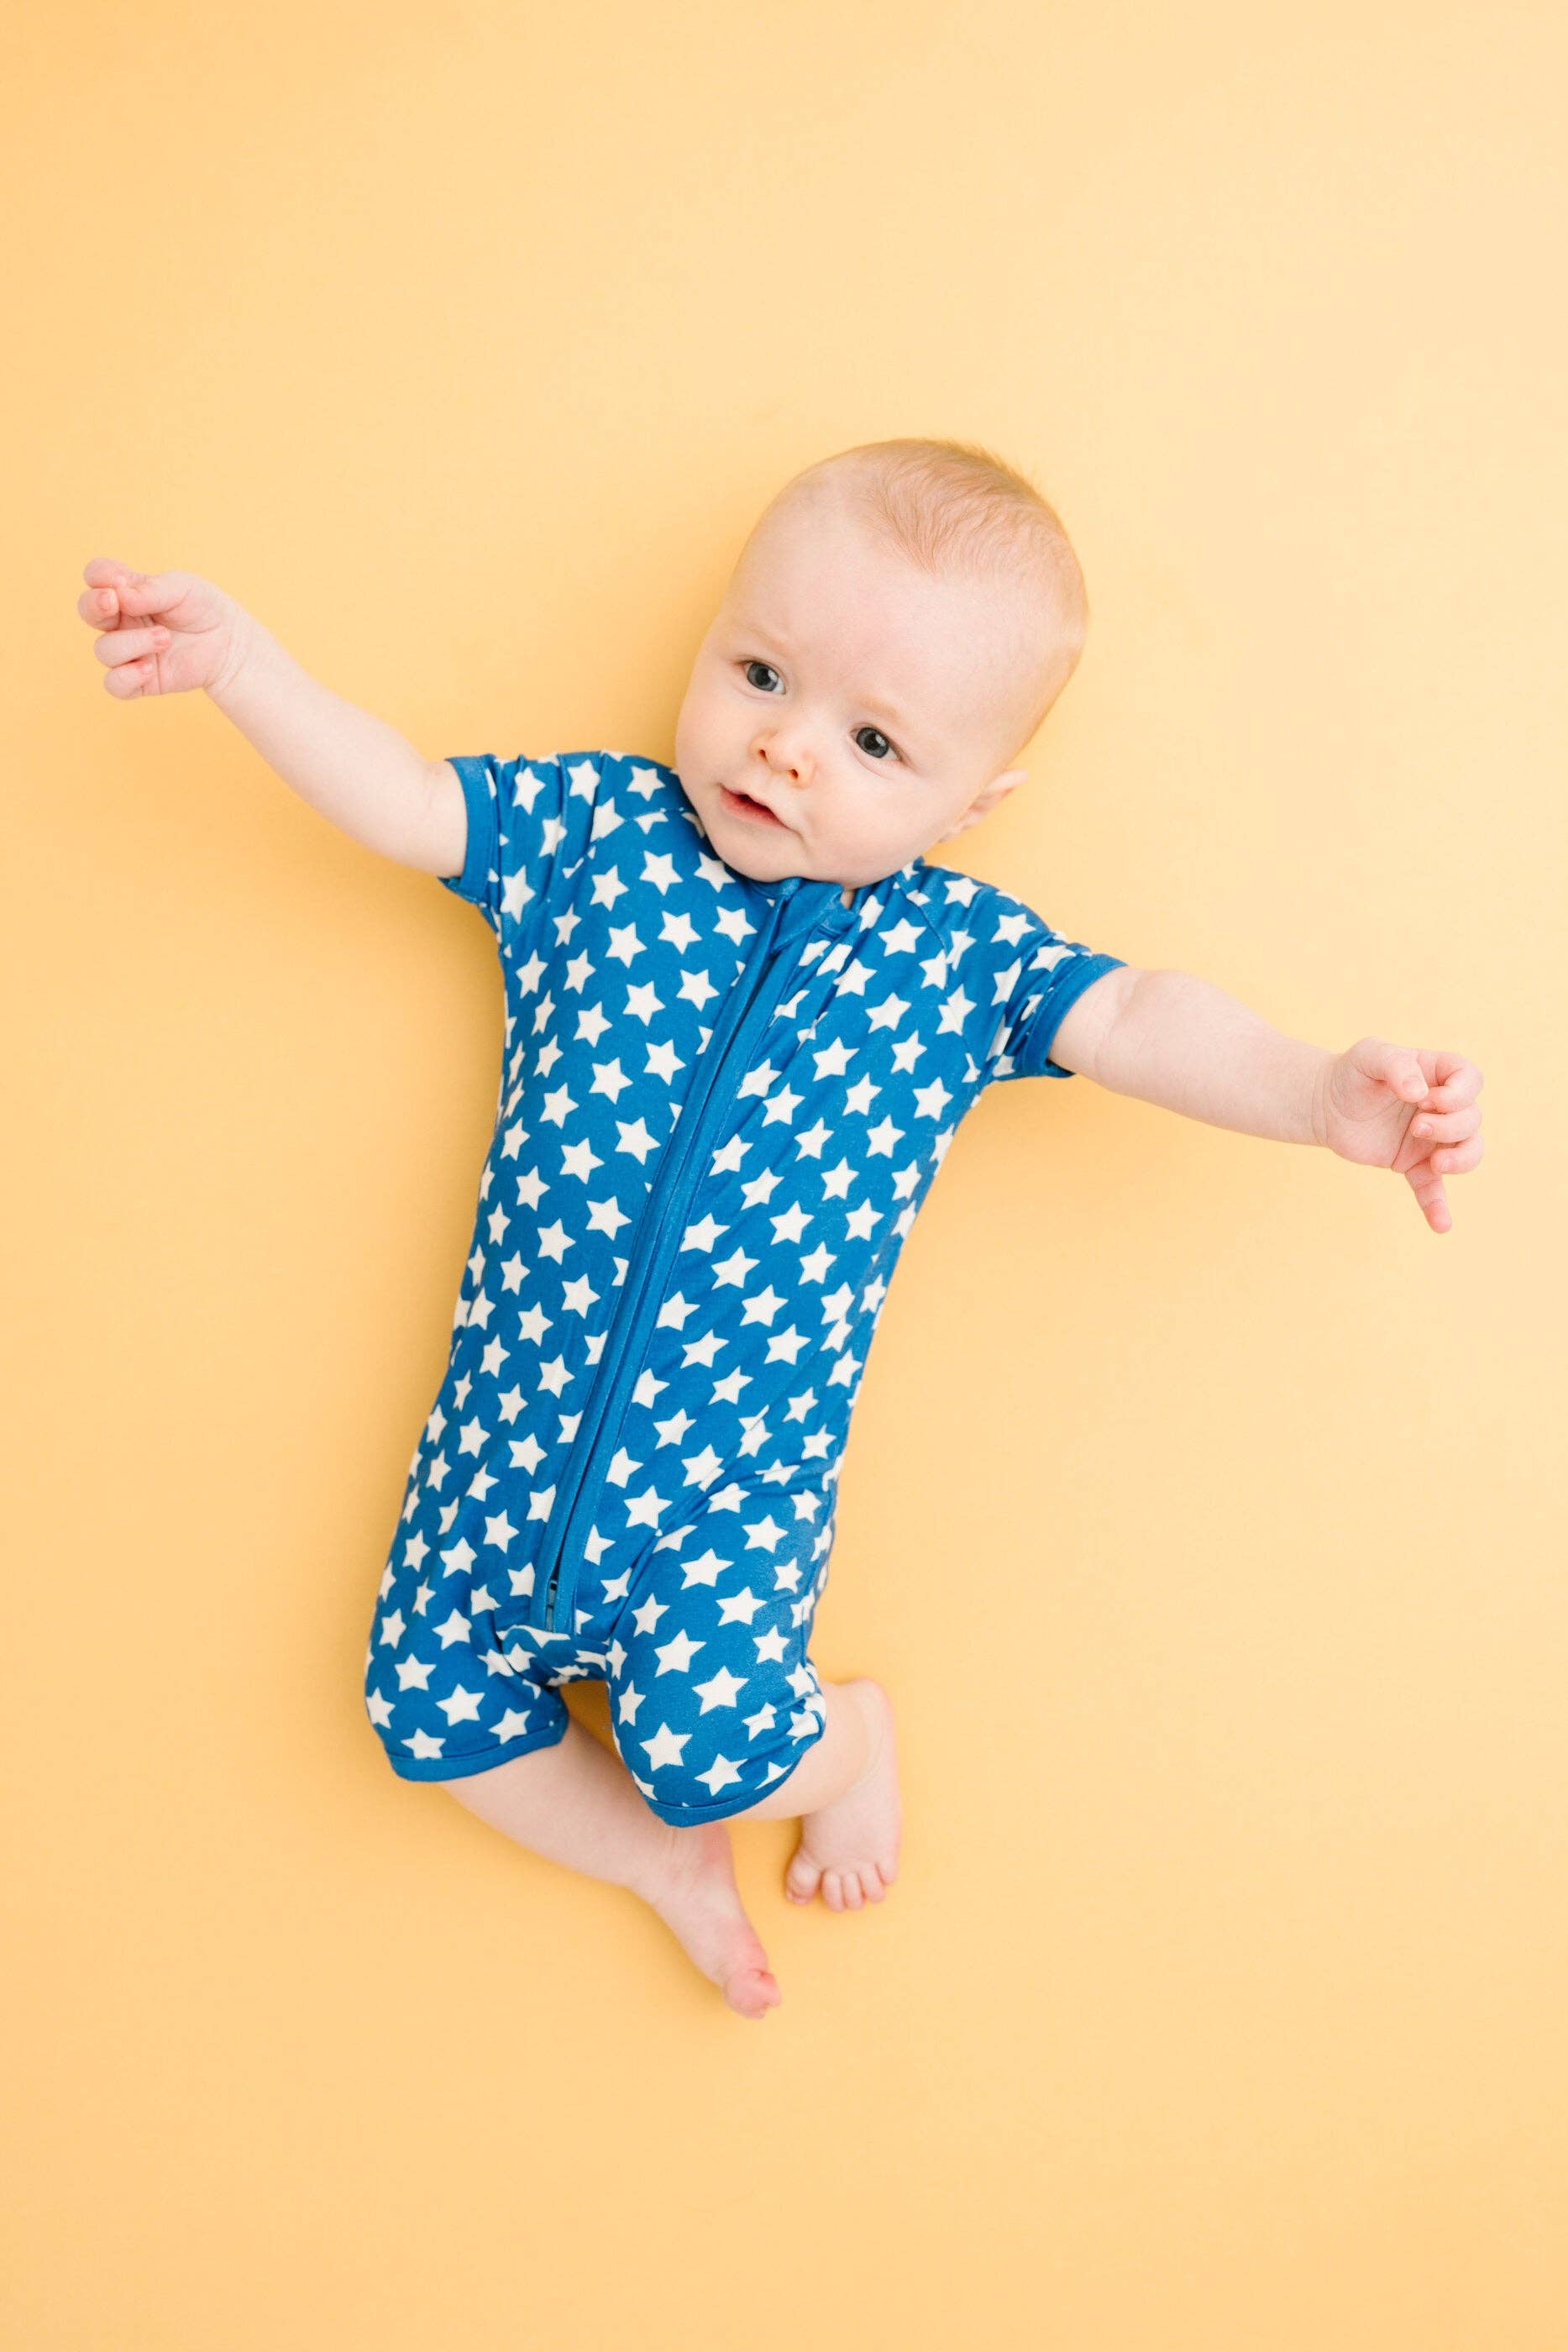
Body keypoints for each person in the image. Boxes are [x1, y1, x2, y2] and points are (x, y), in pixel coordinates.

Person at [76, 437, 1484, 2022]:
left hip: (720, 1514)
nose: (787, 747)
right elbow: (404, 799)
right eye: (760, 673)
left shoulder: (955, 964)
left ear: (969, 805)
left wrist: (1317, 1094)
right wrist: (245, 668)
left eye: (876, 741)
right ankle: (658, 1865)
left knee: (719, 1755)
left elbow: (1146, 1017)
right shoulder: (598, 842)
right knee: (421, 1707)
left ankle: (851, 1740)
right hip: (498, 1458)